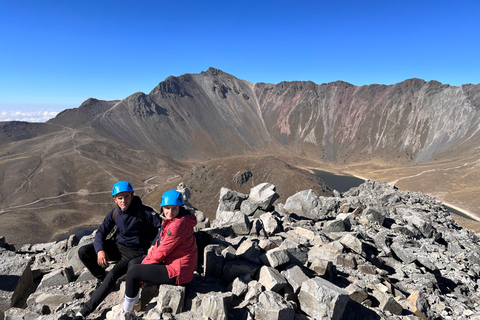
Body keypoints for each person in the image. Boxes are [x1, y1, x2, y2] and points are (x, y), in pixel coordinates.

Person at [74, 181, 162, 320]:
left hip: (134, 252)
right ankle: (103, 279)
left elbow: (163, 226)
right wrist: (100, 250)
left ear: (132, 196)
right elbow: (101, 232)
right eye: (119, 198)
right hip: (117, 247)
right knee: (84, 251)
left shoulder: (143, 211)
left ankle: (83, 313)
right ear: (114, 199)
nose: (123, 201)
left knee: (113, 274)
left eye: (126, 197)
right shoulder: (115, 213)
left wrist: (154, 244)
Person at [117, 190, 197, 319]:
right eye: (166, 208)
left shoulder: (177, 226)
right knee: (134, 263)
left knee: (134, 272)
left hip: (178, 272)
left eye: (174, 209)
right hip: (174, 263)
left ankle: (127, 312)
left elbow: (162, 252)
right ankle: (135, 301)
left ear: (180, 208)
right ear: (162, 207)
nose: (170, 212)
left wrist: (143, 272)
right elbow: (159, 245)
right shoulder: (176, 220)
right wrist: (145, 266)